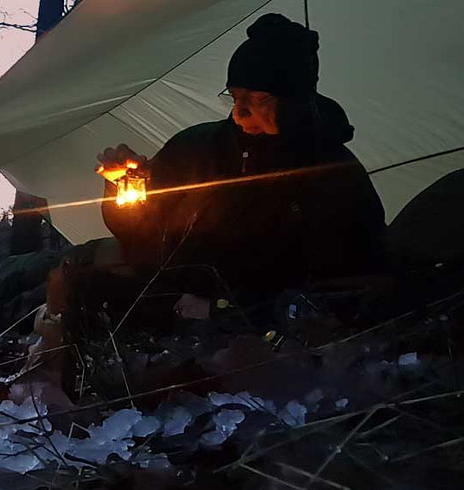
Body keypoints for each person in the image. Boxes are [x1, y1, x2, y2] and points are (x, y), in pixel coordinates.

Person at [93, 13, 386, 310]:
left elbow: (344, 284)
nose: (239, 114)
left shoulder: (332, 174)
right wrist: (121, 187)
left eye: (258, 100)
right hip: (170, 305)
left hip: (253, 335)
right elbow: (140, 235)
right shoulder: (196, 147)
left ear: (294, 101)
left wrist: (222, 310)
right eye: (234, 97)